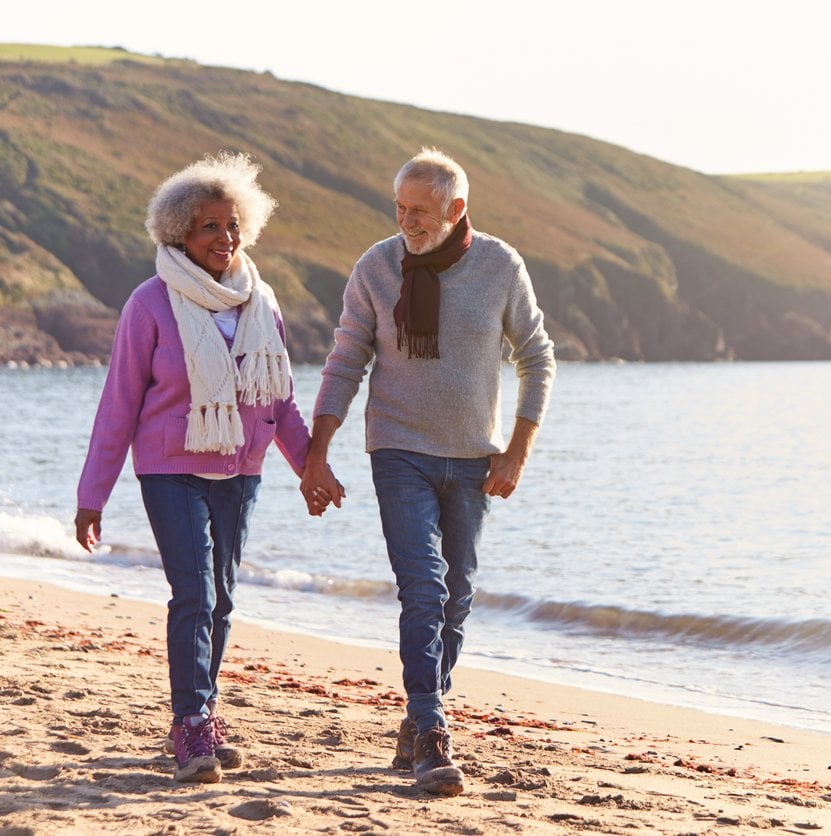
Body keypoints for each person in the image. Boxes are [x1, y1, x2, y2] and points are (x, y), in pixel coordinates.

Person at [300, 147, 555, 796]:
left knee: (458, 598)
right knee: (424, 586)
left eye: (420, 211)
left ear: (456, 209)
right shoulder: (377, 267)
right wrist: (318, 449)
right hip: (399, 451)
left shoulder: (499, 265)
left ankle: (418, 716)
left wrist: (518, 448)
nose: (406, 221)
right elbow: (345, 360)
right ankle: (434, 735)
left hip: (474, 457)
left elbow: (536, 355)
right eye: (399, 209)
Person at [74, 152, 336, 784]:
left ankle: (202, 716)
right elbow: (119, 403)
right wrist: (92, 497)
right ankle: (191, 722)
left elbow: (279, 400)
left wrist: (310, 467)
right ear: (179, 234)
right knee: (194, 593)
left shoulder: (260, 301)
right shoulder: (150, 304)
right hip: (170, 470)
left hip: (241, 470)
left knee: (221, 601)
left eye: (231, 225)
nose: (225, 239)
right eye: (208, 227)